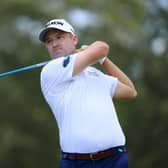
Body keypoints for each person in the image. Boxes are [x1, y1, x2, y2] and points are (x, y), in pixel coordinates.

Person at [39, 19, 137, 168]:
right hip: (77, 163)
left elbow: (130, 91)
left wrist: (103, 60)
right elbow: (102, 47)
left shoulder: (94, 73)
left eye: (59, 37)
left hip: (115, 160)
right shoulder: (51, 71)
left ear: (74, 39)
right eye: (48, 41)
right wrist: (93, 52)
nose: (54, 44)